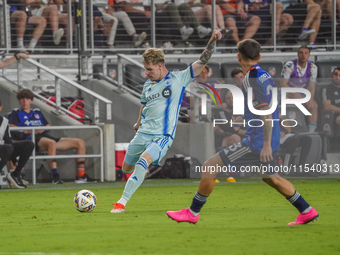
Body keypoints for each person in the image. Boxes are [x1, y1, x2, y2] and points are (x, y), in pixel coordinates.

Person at [166, 38, 319, 225]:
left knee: (209, 166)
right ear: (259, 57)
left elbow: (264, 112)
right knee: (271, 178)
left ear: (238, 58)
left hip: (258, 140)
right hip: (269, 135)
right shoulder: (264, 75)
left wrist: (265, 145)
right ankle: (306, 210)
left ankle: (192, 212)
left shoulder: (250, 79)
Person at [111, 29, 222, 213]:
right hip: (142, 133)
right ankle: (136, 170)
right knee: (125, 167)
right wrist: (138, 122)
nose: (146, 73)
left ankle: (121, 203)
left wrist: (212, 40)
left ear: (160, 65)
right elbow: (144, 105)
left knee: (142, 163)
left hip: (162, 135)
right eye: (145, 69)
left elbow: (203, 60)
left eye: (149, 69)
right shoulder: (148, 84)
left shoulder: (179, 78)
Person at [8, 89, 96, 184]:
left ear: (31, 101)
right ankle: (55, 176)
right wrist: (28, 130)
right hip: (31, 139)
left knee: (80, 142)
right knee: (51, 143)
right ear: (19, 101)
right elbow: (11, 126)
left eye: (27, 98)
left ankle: (81, 176)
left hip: (46, 136)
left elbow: (48, 125)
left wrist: (42, 128)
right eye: (22, 99)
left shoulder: (37, 112)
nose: (25, 101)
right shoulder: (16, 112)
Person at [280, 46, 318, 132]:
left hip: (302, 93)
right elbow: (283, 84)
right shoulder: (289, 65)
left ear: (309, 55)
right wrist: (296, 95)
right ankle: (286, 129)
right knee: (285, 97)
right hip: (288, 92)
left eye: (305, 53)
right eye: (301, 53)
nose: (303, 55)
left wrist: (310, 99)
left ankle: (311, 131)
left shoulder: (313, 67)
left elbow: (312, 86)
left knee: (314, 105)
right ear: (298, 54)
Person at [0, 100, 35, 189]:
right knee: (7, 148)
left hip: (3, 149)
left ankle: (16, 174)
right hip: (4, 149)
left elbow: (7, 140)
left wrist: (14, 160)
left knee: (29, 144)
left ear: (0, 108)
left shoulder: (4, 121)